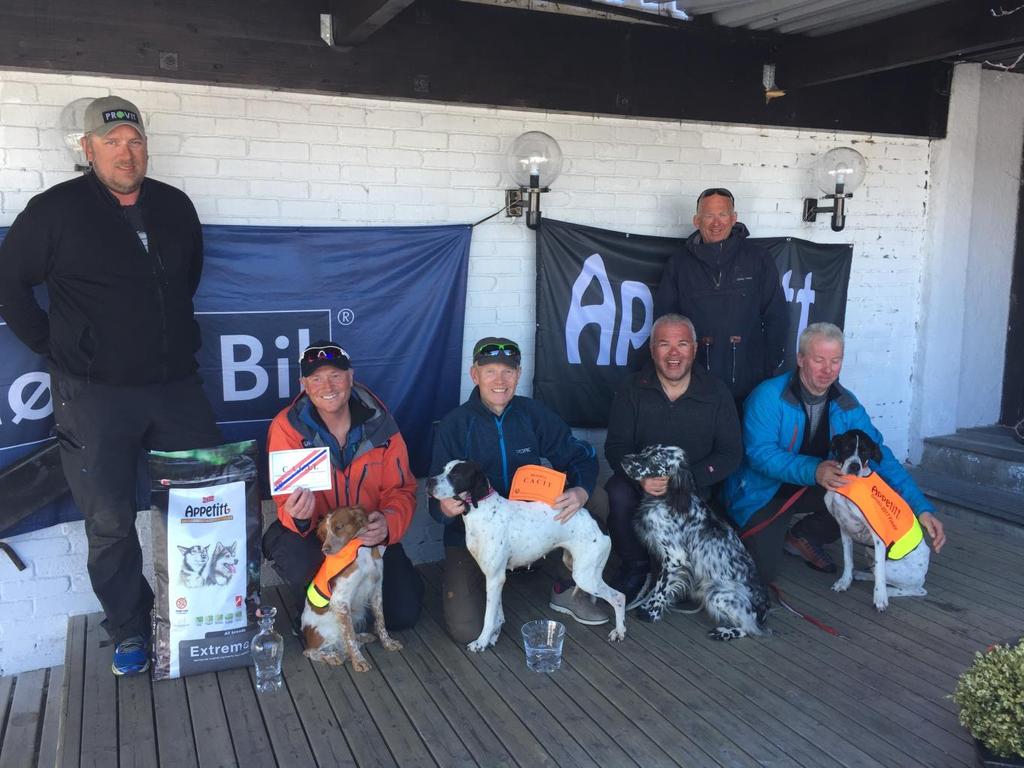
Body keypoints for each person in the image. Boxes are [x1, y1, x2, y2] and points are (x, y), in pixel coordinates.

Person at [0, 96, 223, 676]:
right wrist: (58, 348)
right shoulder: (55, 211)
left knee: (204, 502)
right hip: (95, 395)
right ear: (88, 148)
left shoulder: (174, 206)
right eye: (112, 142)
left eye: (134, 140)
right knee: (109, 520)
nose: (126, 153)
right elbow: (9, 286)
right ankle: (129, 629)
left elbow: (187, 279)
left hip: (175, 385)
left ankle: (205, 616)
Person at [724, 322, 946, 583]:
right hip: (764, 492)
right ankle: (744, 531)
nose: (828, 370)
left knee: (869, 495)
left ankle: (804, 535)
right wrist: (814, 470)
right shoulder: (769, 396)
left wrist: (920, 508)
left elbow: (881, 458)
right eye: (819, 360)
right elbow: (759, 454)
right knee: (761, 574)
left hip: (819, 486)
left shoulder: (846, 403)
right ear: (801, 358)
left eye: (836, 360)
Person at [429, 336, 603, 643]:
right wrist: (444, 509)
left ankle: (568, 589)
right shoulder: (454, 425)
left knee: (598, 500)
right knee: (466, 628)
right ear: (474, 375)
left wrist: (582, 492)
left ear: (518, 375)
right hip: (475, 535)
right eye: (490, 371)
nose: (500, 380)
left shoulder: (533, 414)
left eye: (508, 371)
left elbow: (582, 456)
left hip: (530, 524)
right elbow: (435, 494)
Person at [262, 341, 423, 632]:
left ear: (351, 377)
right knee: (297, 557)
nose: (327, 385)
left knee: (403, 615)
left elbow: (401, 490)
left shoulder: (381, 424)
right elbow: (286, 502)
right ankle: (317, 605)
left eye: (335, 375)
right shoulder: (287, 427)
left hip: (366, 536)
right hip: (318, 538)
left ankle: (363, 596)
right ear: (304, 385)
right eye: (316, 378)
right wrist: (299, 516)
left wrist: (388, 523)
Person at [604, 314, 743, 605]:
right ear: (652, 349)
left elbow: (731, 453)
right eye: (664, 344)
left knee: (692, 592)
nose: (674, 353)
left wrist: (685, 480)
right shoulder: (632, 388)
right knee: (616, 490)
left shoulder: (715, 392)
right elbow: (616, 447)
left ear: (694, 348)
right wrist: (640, 477)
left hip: (694, 492)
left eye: (682, 344)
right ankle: (636, 567)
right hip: (643, 487)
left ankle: (681, 574)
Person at [653, 187, 788, 407]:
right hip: (692, 382)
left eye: (723, 214)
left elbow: (777, 316)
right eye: (709, 215)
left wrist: (768, 367)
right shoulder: (679, 263)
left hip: (749, 383)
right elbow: (664, 320)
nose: (716, 222)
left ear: (734, 218)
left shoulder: (758, 259)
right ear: (697, 220)